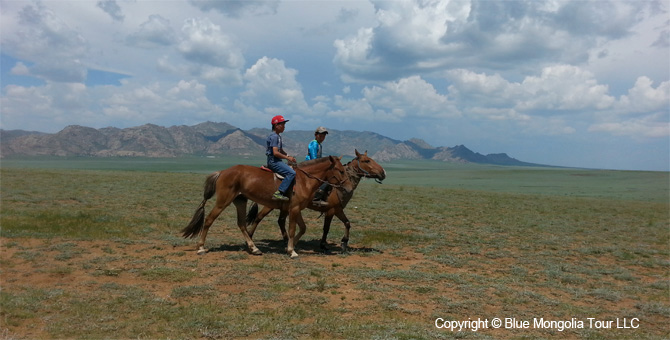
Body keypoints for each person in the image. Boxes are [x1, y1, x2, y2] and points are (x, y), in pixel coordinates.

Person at [266, 115, 296, 201]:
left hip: (277, 160)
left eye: (284, 125)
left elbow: (280, 150)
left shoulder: (278, 136)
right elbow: (275, 153)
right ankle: (279, 192)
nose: (284, 127)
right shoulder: (274, 137)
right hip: (274, 161)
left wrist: (288, 156)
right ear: (276, 125)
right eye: (282, 124)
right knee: (292, 173)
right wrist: (287, 159)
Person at [306, 126, 330, 206]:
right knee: (325, 180)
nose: (322, 138)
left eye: (324, 136)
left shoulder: (319, 145)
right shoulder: (314, 144)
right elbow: (314, 158)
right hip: (311, 166)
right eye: (321, 135)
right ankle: (316, 198)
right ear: (316, 135)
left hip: (315, 165)